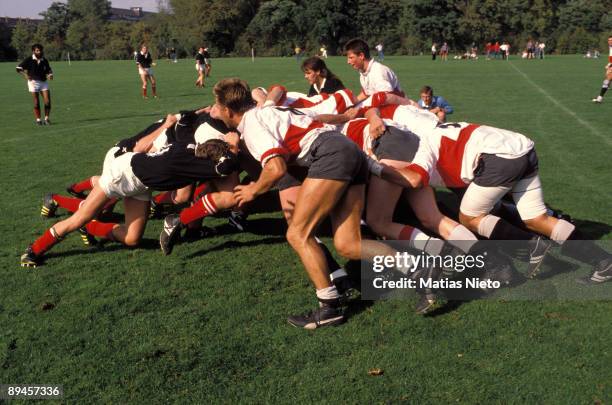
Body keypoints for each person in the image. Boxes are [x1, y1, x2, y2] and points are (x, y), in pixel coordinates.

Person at [21, 115, 240, 267]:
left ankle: (92, 227)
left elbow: (183, 123)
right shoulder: (194, 164)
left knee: (132, 238)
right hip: (121, 173)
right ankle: (34, 250)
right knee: (78, 219)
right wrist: (234, 144)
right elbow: (225, 166)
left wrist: (196, 113)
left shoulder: (186, 145)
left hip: (139, 182)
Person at [344, 38, 403, 103]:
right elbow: (366, 93)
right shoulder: (363, 72)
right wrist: (353, 103)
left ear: (361, 56)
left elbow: (386, 98)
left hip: (397, 108)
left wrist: (362, 109)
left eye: (351, 58)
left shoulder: (378, 71)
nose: (348, 62)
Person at [16, 43, 53, 125]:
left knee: (47, 101)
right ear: (33, 51)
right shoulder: (29, 60)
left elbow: (48, 70)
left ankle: (46, 119)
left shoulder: (44, 60)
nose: (39, 52)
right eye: (37, 50)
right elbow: (18, 68)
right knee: (36, 103)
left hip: (43, 82)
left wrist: (50, 75)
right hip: (33, 82)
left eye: (40, 50)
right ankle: (38, 120)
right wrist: (25, 75)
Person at [592, 36, 612, 104]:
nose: (610, 41)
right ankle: (599, 98)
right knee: (607, 80)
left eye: (611, 40)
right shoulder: (610, 47)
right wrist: (609, 64)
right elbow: (611, 58)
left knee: (607, 80)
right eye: (609, 40)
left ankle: (599, 98)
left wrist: (610, 66)